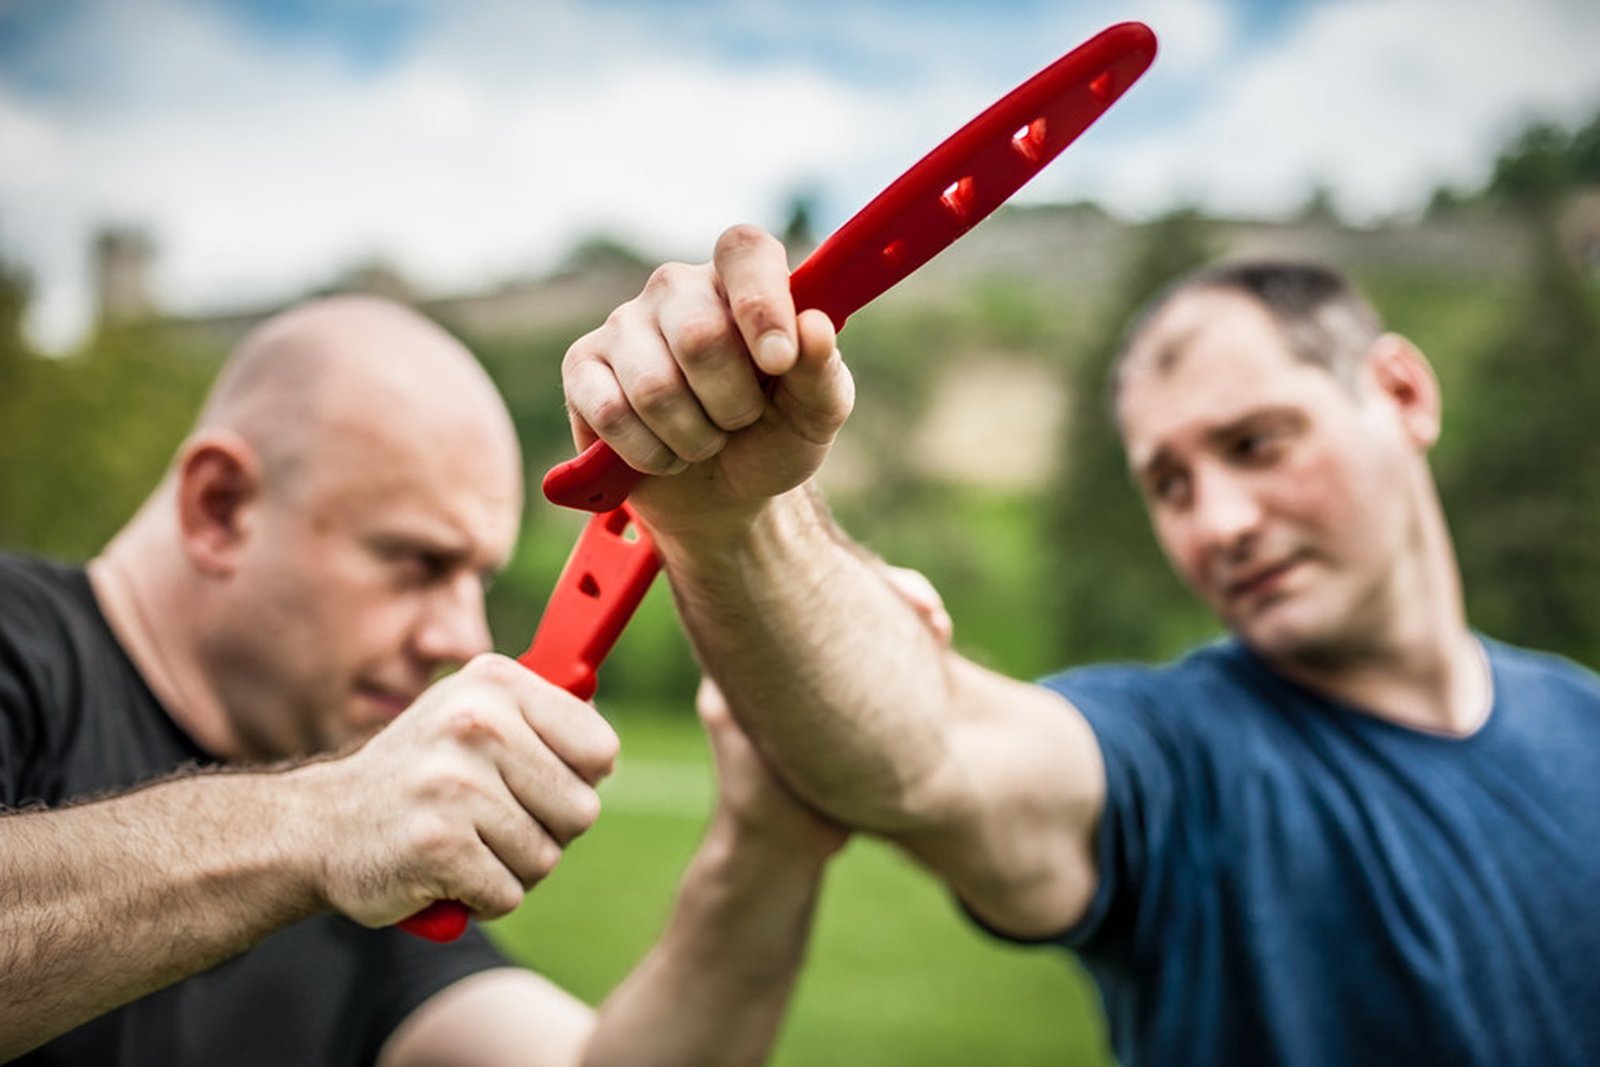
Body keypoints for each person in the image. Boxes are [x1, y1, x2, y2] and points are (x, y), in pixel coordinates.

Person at [559, 224, 1600, 1065]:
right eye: (1169, 483)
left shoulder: (1584, 724)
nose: (1218, 521)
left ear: (1402, 394)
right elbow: (927, 750)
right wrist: (738, 519)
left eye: (1256, 443)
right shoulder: (1177, 758)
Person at [0, 293, 848, 1066]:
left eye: (476, 580)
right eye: (417, 561)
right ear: (221, 507)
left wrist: (762, 852)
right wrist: (320, 822)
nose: (465, 639)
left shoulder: (359, 820)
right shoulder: (20, 638)